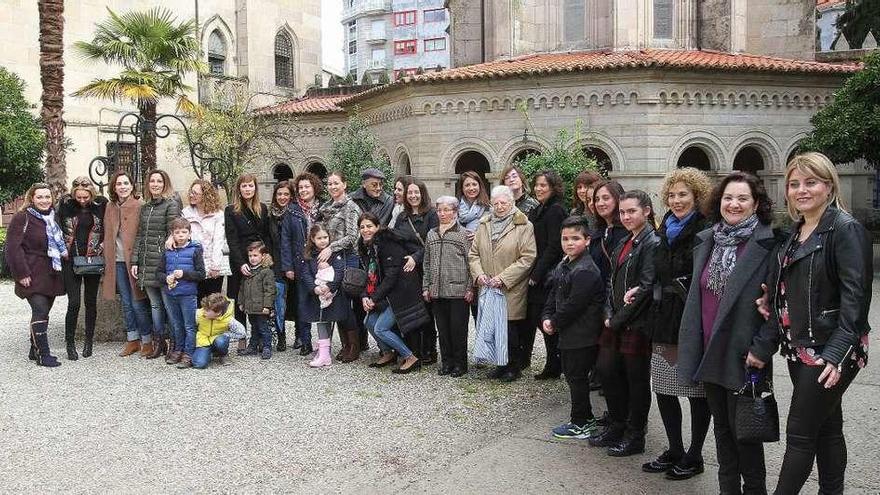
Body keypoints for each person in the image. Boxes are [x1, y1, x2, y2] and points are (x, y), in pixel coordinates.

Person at [749, 153, 871, 495]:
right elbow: (783, 292)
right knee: (828, 429)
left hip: (830, 351)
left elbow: (856, 302)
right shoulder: (794, 234)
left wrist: (836, 355)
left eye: (811, 182)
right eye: (794, 184)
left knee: (800, 434)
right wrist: (769, 302)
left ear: (829, 185)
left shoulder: (846, 230)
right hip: (799, 347)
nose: (801, 190)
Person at [678, 172, 781, 495]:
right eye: (728, 198)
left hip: (744, 354)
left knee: (746, 435)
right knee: (722, 432)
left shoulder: (770, 242)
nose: (734, 204)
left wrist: (762, 348)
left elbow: (778, 304)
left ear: (756, 204)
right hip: (709, 350)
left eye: (742, 198)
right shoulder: (708, 240)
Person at [642, 168, 713, 480]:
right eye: (672, 195)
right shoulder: (662, 228)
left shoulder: (706, 228)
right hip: (662, 317)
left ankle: (694, 454)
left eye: (683, 194)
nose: (677, 200)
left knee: (696, 392)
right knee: (664, 387)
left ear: (696, 196)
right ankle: (674, 448)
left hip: (692, 317)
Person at [590, 190, 659, 457]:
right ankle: (617, 425)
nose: (626, 216)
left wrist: (616, 320)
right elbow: (611, 282)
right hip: (616, 320)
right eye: (623, 212)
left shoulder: (652, 243)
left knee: (636, 381)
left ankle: (635, 434)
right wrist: (609, 313)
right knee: (608, 372)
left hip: (636, 324)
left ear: (647, 211)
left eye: (632, 211)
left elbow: (646, 286)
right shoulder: (625, 242)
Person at [543, 216, 605, 439]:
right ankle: (583, 417)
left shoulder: (586, 269)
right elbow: (554, 292)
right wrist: (547, 315)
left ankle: (581, 422)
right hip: (569, 333)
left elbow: (574, 305)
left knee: (577, 377)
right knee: (572, 376)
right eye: (565, 238)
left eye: (575, 238)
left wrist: (555, 321)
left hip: (582, 334)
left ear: (587, 240)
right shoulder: (565, 263)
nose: (569, 243)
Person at [468, 185, 537, 382]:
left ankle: (513, 367)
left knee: (509, 328)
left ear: (512, 203)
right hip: (488, 285)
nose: (499, 207)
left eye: (504, 203)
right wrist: (479, 274)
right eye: (496, 203)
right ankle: (500, 364)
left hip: (510, 287)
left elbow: (528, 257)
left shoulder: (524, 225)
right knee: (493, 327)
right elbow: (474, 254)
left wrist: (504, 278)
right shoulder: (484, 224)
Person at [6, 183, 67, 367]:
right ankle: (43, 354)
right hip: (31, 272)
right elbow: (12, 248)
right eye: (39, 197)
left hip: (50, 273)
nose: (44, 200)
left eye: (47, 197)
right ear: (31, 198)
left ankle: (34, 349)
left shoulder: (52, 217)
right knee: (40, 310)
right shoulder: (22, 217)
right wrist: (21, 273)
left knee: (44, 313)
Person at [357, 213, 424, 374]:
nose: (366, 230)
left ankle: (410, 357)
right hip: (386, 294)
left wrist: (373, 298)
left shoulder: (387, 244)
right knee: (369, 322)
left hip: (401, 294)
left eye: (369, 226)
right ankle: (388, 353)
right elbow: (370, 275)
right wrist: (365, 295)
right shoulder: (367, 247)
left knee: (381, 328)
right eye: (362, 227)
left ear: (378, 227)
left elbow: (391, 277)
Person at [522, 169, 568, 379]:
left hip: (547, 273)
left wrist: (536, 274)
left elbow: (553, 246)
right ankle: (553, 362)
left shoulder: (556, 210)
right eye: (537, 185)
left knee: (546, 318)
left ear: (553, 188)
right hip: (536, 269)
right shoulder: (539, 209)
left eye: (544, 185)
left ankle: (555, 363)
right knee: (539, 319)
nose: (539, 189)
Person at [131, 169, 181, 359]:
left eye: (159, 181)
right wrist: (135, 260)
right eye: (152, 181)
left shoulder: (171, 205)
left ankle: (175, 343)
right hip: (146, 263)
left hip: (163, 264)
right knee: (155, 306)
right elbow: (140, 235)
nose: (155, 184)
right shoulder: (145, 207)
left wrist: (169, 238)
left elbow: (175, 230)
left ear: (165, 183)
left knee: (169, 306)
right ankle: (158, 343)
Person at [422, 196, 473, 377]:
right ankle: (447, 362)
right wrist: (426, 287)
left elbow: (471, 263)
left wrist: (470, 288)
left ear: (455, 212)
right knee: (442, 330)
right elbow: (426, 262)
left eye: (447, 210)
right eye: (440, 210)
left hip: (458, 291)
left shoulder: (463, 234)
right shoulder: (431, 234)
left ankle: (460, 364)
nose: (442, 213)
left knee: (458, 329)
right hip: (437, 291)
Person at [57, 176, 107, 360]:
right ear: (74, 194)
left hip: (93, 259)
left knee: (91, 302)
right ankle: (70, 344)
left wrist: (103, 244)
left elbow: (108, 229)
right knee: (74, 303)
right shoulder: (65, 205)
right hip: (70, 259)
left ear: (91, 194)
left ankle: (89, 342)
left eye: (86, 197)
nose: (82, 200)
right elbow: (56, 229)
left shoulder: (101, 205)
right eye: (79, 197)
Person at [103, 171, 152, 357]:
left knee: (138, 301)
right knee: (125, 302)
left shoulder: (140, 206)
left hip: (135, 262)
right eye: (118, 184)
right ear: (114, 187)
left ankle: (147, 340)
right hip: (117, 262)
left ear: (132, 186)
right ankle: (132, 340)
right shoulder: (110, 206)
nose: (122, 187)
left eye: (125, 183)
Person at [316, 170, 363, 362]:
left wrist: (331, 247)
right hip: (331, 259)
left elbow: (353, 237)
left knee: (344, 302)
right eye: (329, 184)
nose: (333, 187)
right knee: (335, 302)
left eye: (336, 183)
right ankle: (344, 345)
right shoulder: (326, 208)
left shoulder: (351, 207)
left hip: (347, 257)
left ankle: (354, 346)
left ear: (345, 184)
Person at [393, 179, 440, 363]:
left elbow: (432, 243)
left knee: (426, 311)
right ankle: (414, 349)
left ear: (423, 194)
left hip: (423, 267)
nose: (413, 196)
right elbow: (396, 240)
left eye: (416, 192)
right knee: (411, 310)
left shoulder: (431, 215)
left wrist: (415, 257)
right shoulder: (401, 217)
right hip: (406, 270)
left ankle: (429, 350)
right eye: (410, 193)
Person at [225, 174, 271, 353]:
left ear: (255, 188)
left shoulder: (263, 208)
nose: (247, 189)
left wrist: (266, 256)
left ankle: (260, 336)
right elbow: (232, 239)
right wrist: (240, 263)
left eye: (250, 186)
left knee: (259, 296)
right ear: (239, 188)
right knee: (240, 298)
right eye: (244, 186)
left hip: (259, 255)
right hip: (241, 258)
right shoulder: (231, 210)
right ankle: (241, 336)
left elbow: (266, 235)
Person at [280, 172, 322, 356]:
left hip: (321, 261)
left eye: (307, 186)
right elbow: (286, 240)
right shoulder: (292, 210)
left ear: (314, 188)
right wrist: (288, 266)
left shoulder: (324, 208)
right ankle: (305, 341)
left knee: (323, 302)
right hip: (300, 263)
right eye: (301, 187)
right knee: (303, 303)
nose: (304, 190)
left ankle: (324, 342)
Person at [157, 218, 206, 369]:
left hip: (187, 294)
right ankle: (178, 350)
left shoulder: (195, 250)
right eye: (177, 232)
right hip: (170, 293)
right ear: (172, 234)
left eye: (184, 232)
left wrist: (184, 274)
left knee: (189, 326)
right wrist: (166, 278)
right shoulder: (168, 251)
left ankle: (189, 353)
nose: (181, 235)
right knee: (176, 325)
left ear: (190, 234)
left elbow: (201, 274)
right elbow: (158, 273)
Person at [299, 224, 349, 368]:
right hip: (317, 294)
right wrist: (314, 288)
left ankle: (325, 355)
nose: (323, 241)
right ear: (313, 239)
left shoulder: (335, 254)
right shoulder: (309, 255)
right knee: (321, 321)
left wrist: (329, 287)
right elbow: (306, 273)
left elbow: (339, 272)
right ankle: (323, 352)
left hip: (332, 295)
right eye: (319, 238)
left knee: (325, 321)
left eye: (325, 237)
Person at [180, 179, 230, 303]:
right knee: (197, 303)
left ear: (206, 195)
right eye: (191, 192)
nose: (191, 195)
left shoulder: (218, 215)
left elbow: (218, 240)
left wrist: (215, 265)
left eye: (195, 193)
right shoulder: (186, 213)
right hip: (194, 265)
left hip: (213, 265)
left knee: (213, 304)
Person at [237, 241, 276, 360]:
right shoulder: (248, 271)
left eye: (255, 255)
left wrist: (267, 306)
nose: (252, 258)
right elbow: (242, 289)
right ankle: (252, 347)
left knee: (264, 328)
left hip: (261, 307)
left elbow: (270, 291)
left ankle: (267, 347)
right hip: (250, 307)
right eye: (250, 256)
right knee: (254, 327)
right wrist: (241, 302)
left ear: (262, 256)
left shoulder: (266, 271)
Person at [267, 180, 294, 352]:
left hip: (293, 263)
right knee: (278, 302)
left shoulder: (295, 213)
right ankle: (281, 335)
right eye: (279, 194)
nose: (282, 197)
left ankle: (301, 336)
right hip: (275, 264)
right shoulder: (269, 215)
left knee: (296, 301)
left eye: (286, 194)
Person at [192, 293, 247, 369]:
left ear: (218, 313)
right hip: (203, 341)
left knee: (221, 341)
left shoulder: (228, 319)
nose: (204, 311)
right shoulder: (198, 314)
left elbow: (242, 333)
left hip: (218, 339)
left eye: (208, 310)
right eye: (205, 308)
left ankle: (223, 354)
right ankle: (209, 353)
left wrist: (226, 335)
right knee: (199, 364)